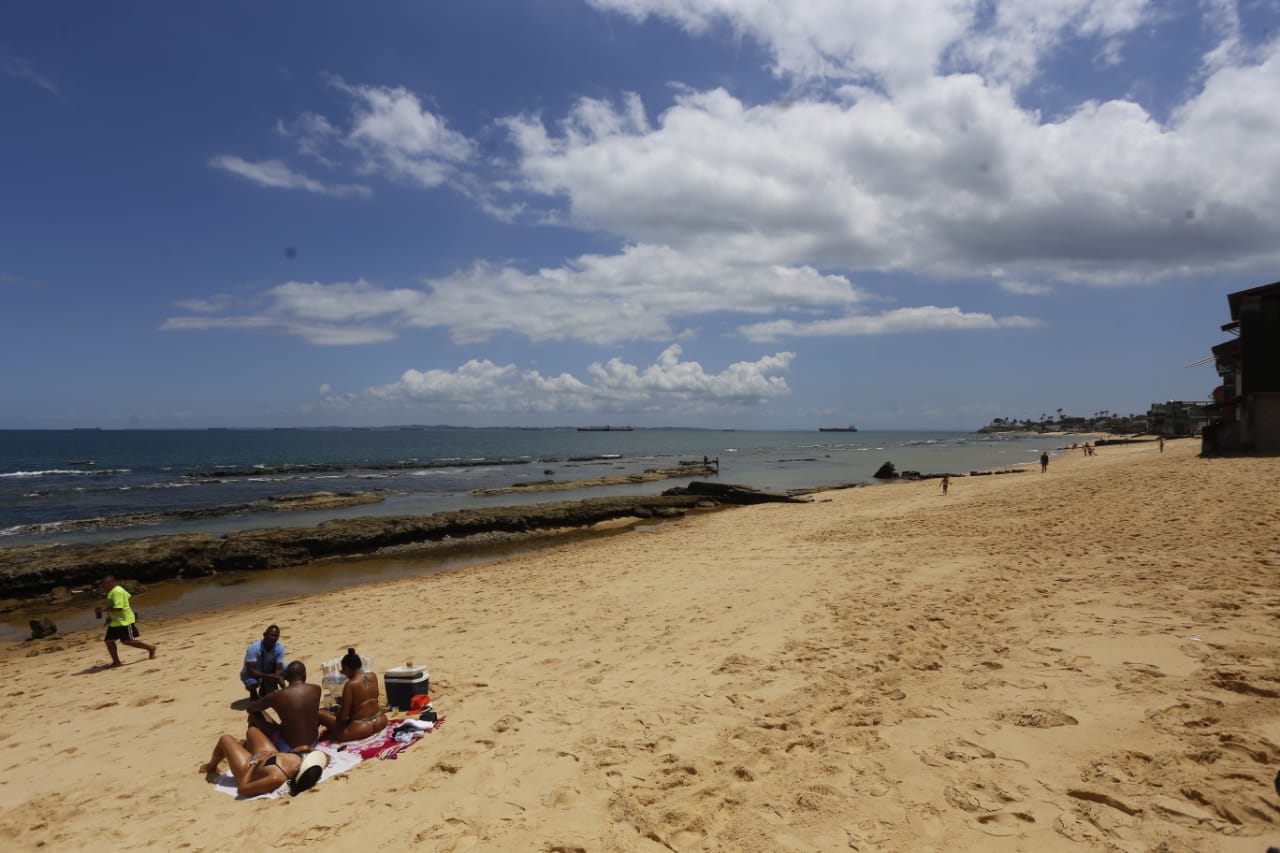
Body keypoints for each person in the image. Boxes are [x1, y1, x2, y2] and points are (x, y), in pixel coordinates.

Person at [198, 727, 327, 798]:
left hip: (247, 767)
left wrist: (254, 763)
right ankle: (243, 748)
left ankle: (211, 766)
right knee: (252, 731)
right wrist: (308, 748)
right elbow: (325, 757)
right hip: (269, 754)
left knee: (225, 739)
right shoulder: (300, 762)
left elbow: (243, 789)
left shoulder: (277, 778)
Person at [247, 660, 322, 753]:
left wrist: (256, 694)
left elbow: (251, 708)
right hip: (313, 741)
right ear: (304, 675)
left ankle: (250, 743)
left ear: (286, 677)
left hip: (289, 747)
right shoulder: (316, 689)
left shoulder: (277, 696)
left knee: (254, 713)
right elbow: (295, 700)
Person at [319, 647, 387, 743]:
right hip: (380, 721)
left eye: (343, 670)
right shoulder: (373, 675)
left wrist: (335, 714)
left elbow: (343, 717)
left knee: (320, 714)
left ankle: (311, 741)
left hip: (363, 727)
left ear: (346, 668)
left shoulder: (350, 685)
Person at [96, 574, 156, 667]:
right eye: (104, 584)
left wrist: (103, 610)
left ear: (113, 582)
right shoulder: (114, 591)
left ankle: (150, 648)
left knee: (127, 641)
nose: (105, 586)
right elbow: (127, 597)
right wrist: (109, 615)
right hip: (116, 621)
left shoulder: (117, 591)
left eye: (107, 584)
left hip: (124, 621)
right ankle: (116, 662)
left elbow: (119, 607)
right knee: (109, 641)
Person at [241, 625, 286, 699]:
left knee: (293, 668)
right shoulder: (254, 647)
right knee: (252, 683)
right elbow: (251, 670)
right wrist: (269, 676)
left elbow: (278, 669)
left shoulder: (279, 647)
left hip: (269, 668)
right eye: (271, 635)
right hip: (253, 671)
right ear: (264, 635)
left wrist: (281, 683)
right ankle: (254, 694)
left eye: (276, 636)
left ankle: (265, 689)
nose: (273, 638)